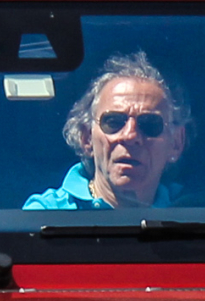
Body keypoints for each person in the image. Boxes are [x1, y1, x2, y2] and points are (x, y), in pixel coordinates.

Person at [22, 53, 192, 209]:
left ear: (176, 143)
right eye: (114, 122)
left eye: (149, 124)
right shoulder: (45, 216)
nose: (130, 136)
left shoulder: (196, 216)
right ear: (86, 137)